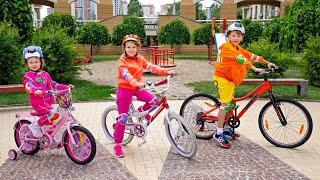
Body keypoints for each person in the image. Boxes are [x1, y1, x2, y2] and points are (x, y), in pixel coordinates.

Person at [213, 23, 277, 148]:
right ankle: (219, 132)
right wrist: (255, 68)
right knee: (225, 105)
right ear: (229, 37)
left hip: (230, 79)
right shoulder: (227, 47)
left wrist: (267, 62)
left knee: (230, 103)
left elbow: (251, 56)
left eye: (238, 36)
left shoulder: (237, 48)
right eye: (233, 35)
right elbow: (241, 59)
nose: (236, 38)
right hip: (222, 79)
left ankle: (227, 127)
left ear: (242, 38)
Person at [113, 34, 174, 158]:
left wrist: (166, 72)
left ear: (137, 48)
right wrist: (135, 82)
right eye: (128, 47)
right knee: (123, 119)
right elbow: (125, 74)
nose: (131, 49)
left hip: (136, 88)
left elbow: (151, 67)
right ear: (124, 48)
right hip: (124, 89)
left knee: (155, 101)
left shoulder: (140, 59)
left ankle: (140, 113)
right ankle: (117, 145)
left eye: (133, 47)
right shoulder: (122, 61)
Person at [22, 46, 74, 138]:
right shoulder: (28, 76)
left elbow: (53, 84)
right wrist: (35, 90)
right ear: (27, 64)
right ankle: (35, 126)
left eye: (36, 62)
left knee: (53, 118)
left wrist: (66, 87)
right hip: (38, 102)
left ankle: (47, 137)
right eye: (31, 62)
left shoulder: (45, 74)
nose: (34, 64)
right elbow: (28, 86)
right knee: (52, 113)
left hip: (47, 101)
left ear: (41, 62)